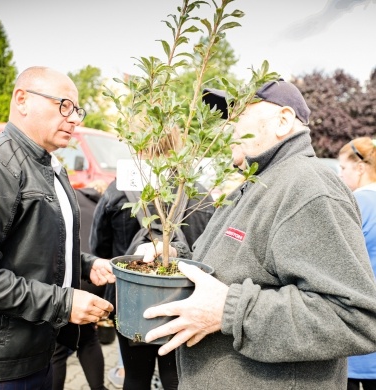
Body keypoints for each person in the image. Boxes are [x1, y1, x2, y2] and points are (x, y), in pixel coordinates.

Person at [136, 79, 376, 390]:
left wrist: (230, 310)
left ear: (283, 120)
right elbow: (241, 267)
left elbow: (354, 319)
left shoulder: (307, 186)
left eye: (238, 116)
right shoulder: (258, 183)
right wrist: (177, 260)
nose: (227, 128)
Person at [0, 66, 115, 388]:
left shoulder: (49, 165)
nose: (75, 119)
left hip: (40, 347)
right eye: (64, 105)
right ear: (22, 100)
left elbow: (37, 246)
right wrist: (65, 303)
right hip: (4, 361)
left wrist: (87, 264)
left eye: (77, 110)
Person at [89, 127, 215, 390]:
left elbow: (99, 248)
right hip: (183, 303)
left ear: (140, 145)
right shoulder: (199, 193)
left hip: (130, 301)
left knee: (135, 376)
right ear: (178, 145)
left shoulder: (118, 188)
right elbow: (209, 249)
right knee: (177, 377)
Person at [52, 180, 110, 390]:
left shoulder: (69, 198)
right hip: (97, 274)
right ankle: (99, 388)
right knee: (88, 338)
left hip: (72, 275)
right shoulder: (102, 204)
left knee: (58, 349)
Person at [338, 137, 376, 390]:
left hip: (356, 335)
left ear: (360, 168)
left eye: (342, 168)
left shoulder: (355, 205)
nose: (339, 175)